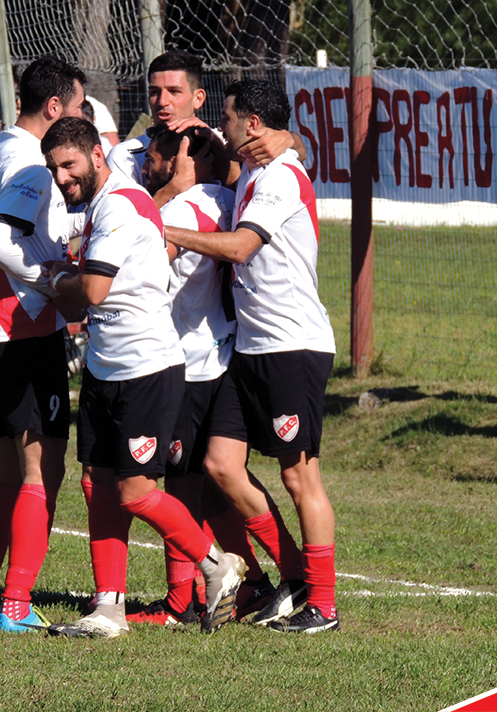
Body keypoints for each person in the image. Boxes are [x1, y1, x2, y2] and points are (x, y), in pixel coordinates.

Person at [42, 117, 246, 637]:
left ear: (94, 156)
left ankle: (216, 565)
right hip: (105, 366)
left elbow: (90, 293)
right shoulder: (100, 204)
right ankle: (108, 609)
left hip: (147, 369)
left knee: (135, 491)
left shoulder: (120, 204)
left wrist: (48, 278)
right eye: (53, 169)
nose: (62, 178)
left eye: (68, 165)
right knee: (98, 484)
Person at [165, 79, 340, 634]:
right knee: (220, 465)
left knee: (299, 478)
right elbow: (239, 146)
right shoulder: (259, 163)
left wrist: (160, 228)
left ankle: (324, 605)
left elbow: (242, 246)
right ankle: (292, 575)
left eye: (231, 118)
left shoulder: (283, 175)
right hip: (249, 347)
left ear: (254, 125)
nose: (225, 126)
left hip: (293, 346)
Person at [124, 124, 278, 628]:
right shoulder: (224, 199)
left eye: (152, 156)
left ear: (182, 158)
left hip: (186, 363)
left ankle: (184, 600)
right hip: (217, 352)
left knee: (183, 488)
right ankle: (254, 582)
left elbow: (142, 271)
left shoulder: (180, 208)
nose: (145, 164)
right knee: (209, 485)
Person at [0, 56, 88, 633]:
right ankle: (15, 605)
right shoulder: (31, 163)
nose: (81, 119)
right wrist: (54, 283)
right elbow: (0, 245)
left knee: (6, 472)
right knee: (44, 469)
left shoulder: (1, 150)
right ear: (55, 107)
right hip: (20, 328)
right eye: (79, 108)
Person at [107, 49, 306, 209]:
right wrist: (173, 188)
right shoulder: (125, 155)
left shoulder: (227, 140)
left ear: (199, 98)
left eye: (174, 92)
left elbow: (242, 196)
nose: (162, 101)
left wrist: (291, 139)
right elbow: (119, 226)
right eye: (154, 92)